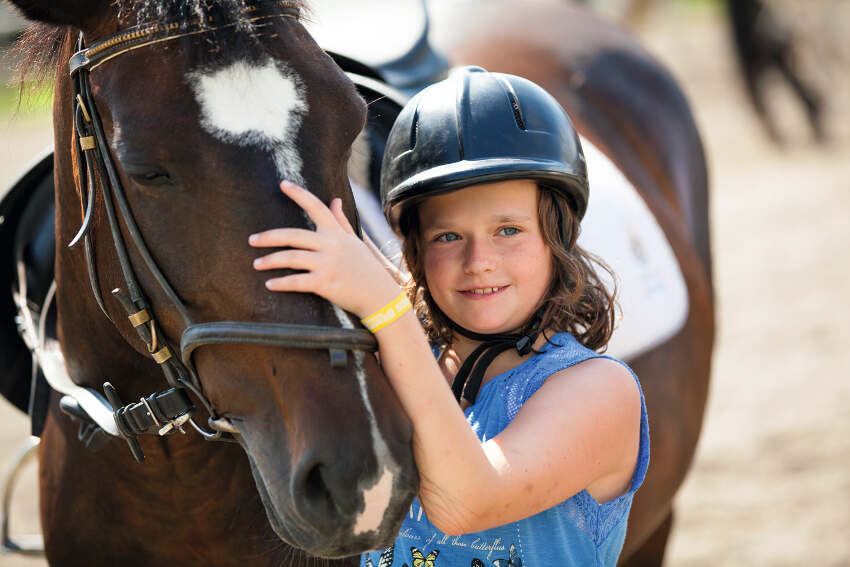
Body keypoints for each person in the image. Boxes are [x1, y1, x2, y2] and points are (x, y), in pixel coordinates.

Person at [249, 67, 649, 566]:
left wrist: (385, 308)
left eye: (508, 230)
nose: (479, 259)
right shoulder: (402, 363)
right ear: (415, 252)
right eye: (447, 236)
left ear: (557, 236)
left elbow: (465, 503)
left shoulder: (600, 391)